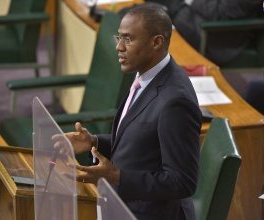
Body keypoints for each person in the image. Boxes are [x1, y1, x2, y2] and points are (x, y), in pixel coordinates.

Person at [54, 5, 202, 220]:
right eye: (119, 37)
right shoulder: (145, 75)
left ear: (157, 42)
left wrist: (117, 177)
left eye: (129, 39)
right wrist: (95, 142)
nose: (119, 47)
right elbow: (143, 144)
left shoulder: (175, 101)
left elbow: (182, 181)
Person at [145, 0, 263, 66]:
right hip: (195, 15)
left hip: (217, 35)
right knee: (140, 15)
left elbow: (219, 12)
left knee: (147, 24)